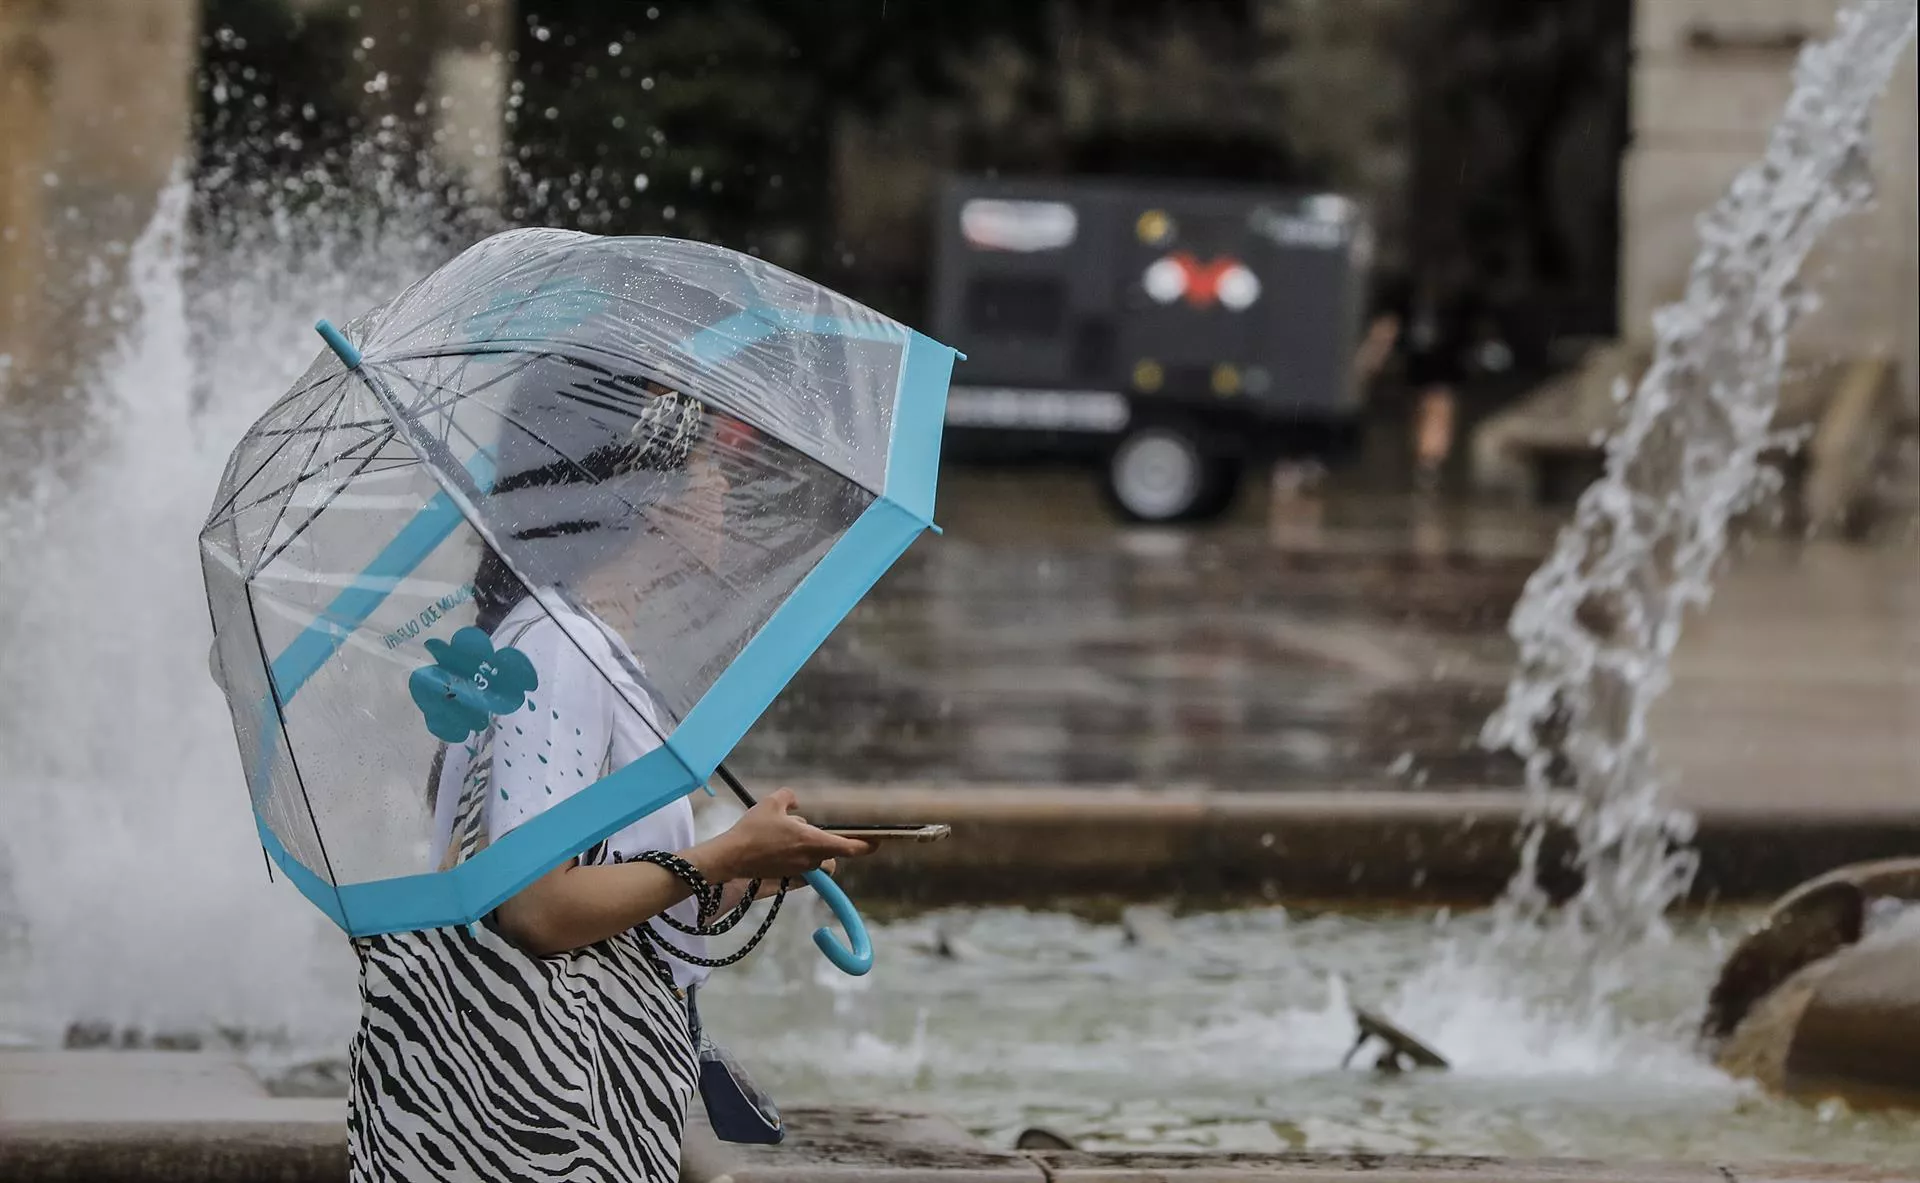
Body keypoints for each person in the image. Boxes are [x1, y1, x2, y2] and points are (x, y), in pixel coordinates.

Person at [348, 359, 872, 1183]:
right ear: (642, 492)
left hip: (571, 1100)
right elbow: (535, 907)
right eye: (706, 467)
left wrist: (756, 870)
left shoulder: (573, 644)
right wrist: (722, 856)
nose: (722, 490)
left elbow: (605, 886)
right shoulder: (560, 652)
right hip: (542, 1117)